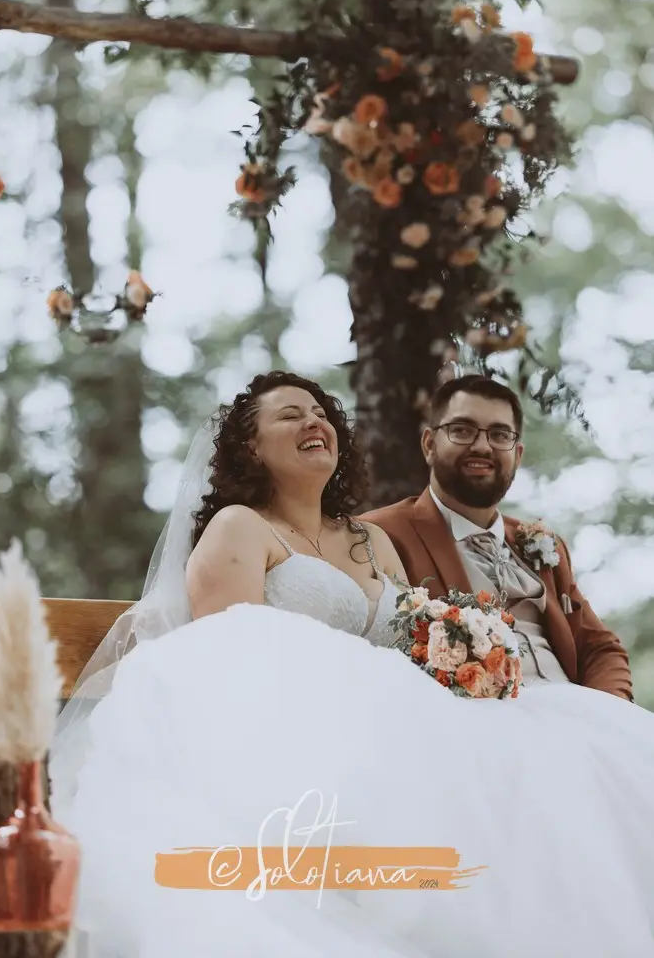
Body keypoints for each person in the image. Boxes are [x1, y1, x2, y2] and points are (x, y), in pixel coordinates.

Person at [50, 370, 654, 958]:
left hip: (406, 719)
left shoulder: (370, 542)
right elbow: (223, 661)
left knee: (577, 753)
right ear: (249, 447)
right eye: (290, 415)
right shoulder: (240, 528)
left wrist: (460, 658)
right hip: (297, 731)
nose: (314, 422)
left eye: (321, 414)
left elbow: (414, 643)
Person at [361, 374, 632, 699]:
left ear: (517, 455)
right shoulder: (380, 534)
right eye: (462, 430)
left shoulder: (546, 545)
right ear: (429, 445)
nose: (482, 446)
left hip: (578, 713)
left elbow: (599, 647)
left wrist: (609, 714)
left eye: (499, 434)